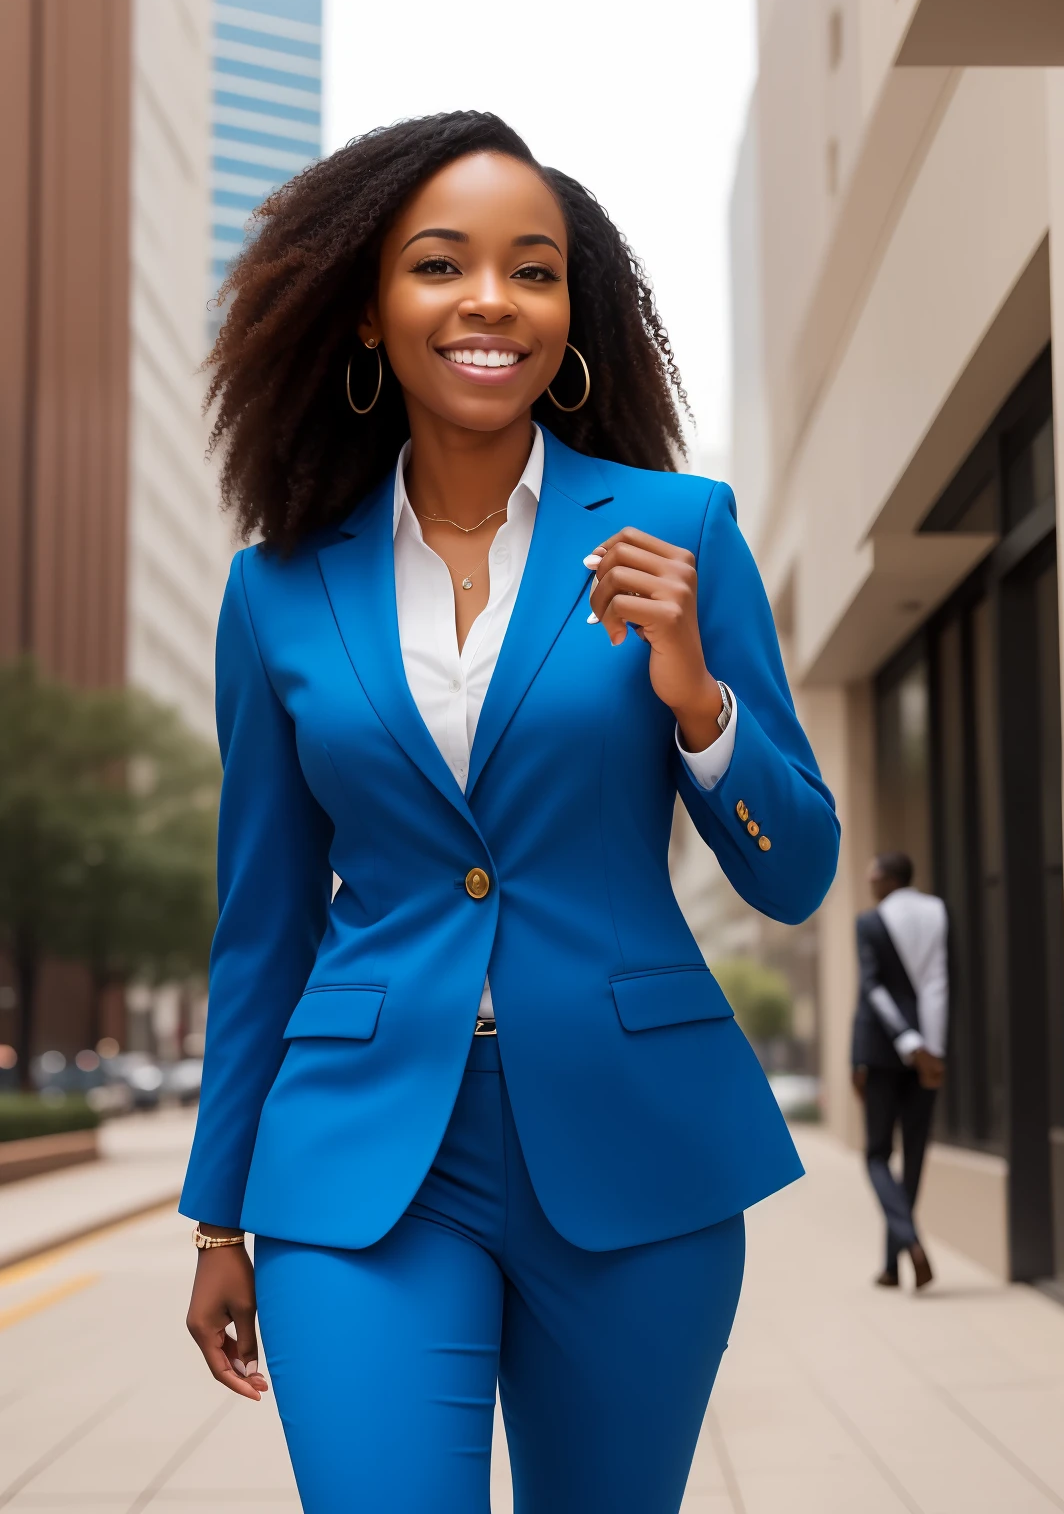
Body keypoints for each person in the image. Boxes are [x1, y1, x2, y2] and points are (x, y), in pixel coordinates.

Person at [177, 112, 840, 1514]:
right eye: (441, 265)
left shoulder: (683, 532)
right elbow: (263, 923)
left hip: (632, 1142)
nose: (491, 300)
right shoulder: (277, 588)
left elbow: (799, 872)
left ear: (570, 312)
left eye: (532, 270)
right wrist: (216, 1210)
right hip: (361, 1156)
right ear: (368, 310)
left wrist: (699, 700)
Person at [852, 852, 948, 1291]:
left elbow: (871, 991)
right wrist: (932, 1049)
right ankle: (892, 1266)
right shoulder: (939, 911)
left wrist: (904, 1043)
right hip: (931, 1052)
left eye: (873, 875)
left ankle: (909, 1242)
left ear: (888, 879)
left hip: (885, 1052)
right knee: (913, 1158)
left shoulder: (870, 923)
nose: (869, 882)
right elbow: (943, 983)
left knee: (875, 1154)